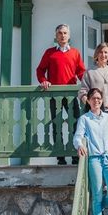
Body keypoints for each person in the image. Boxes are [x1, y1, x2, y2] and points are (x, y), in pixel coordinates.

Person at [36, 24, 86, 165]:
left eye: (65, 33)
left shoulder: (75, 53)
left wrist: (88, 82)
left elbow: (81, 72)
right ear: (56, 36)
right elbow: (40, 70)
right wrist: (44, 81)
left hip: (71, 96)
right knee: (56, 125)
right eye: (60, 33)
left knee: (75, 123)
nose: (63, 35)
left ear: (69, 36)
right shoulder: (50, 53)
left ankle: (75, 154)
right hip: (55, 96)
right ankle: (60, 156)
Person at [78, 42, 108, 149]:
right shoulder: (90, 72)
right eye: (101, 52)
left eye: (106, 52)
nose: (103, 55)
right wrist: (91, 104)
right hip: (97, 114)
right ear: (96, 54)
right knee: (99, 143)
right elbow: (83, 91)